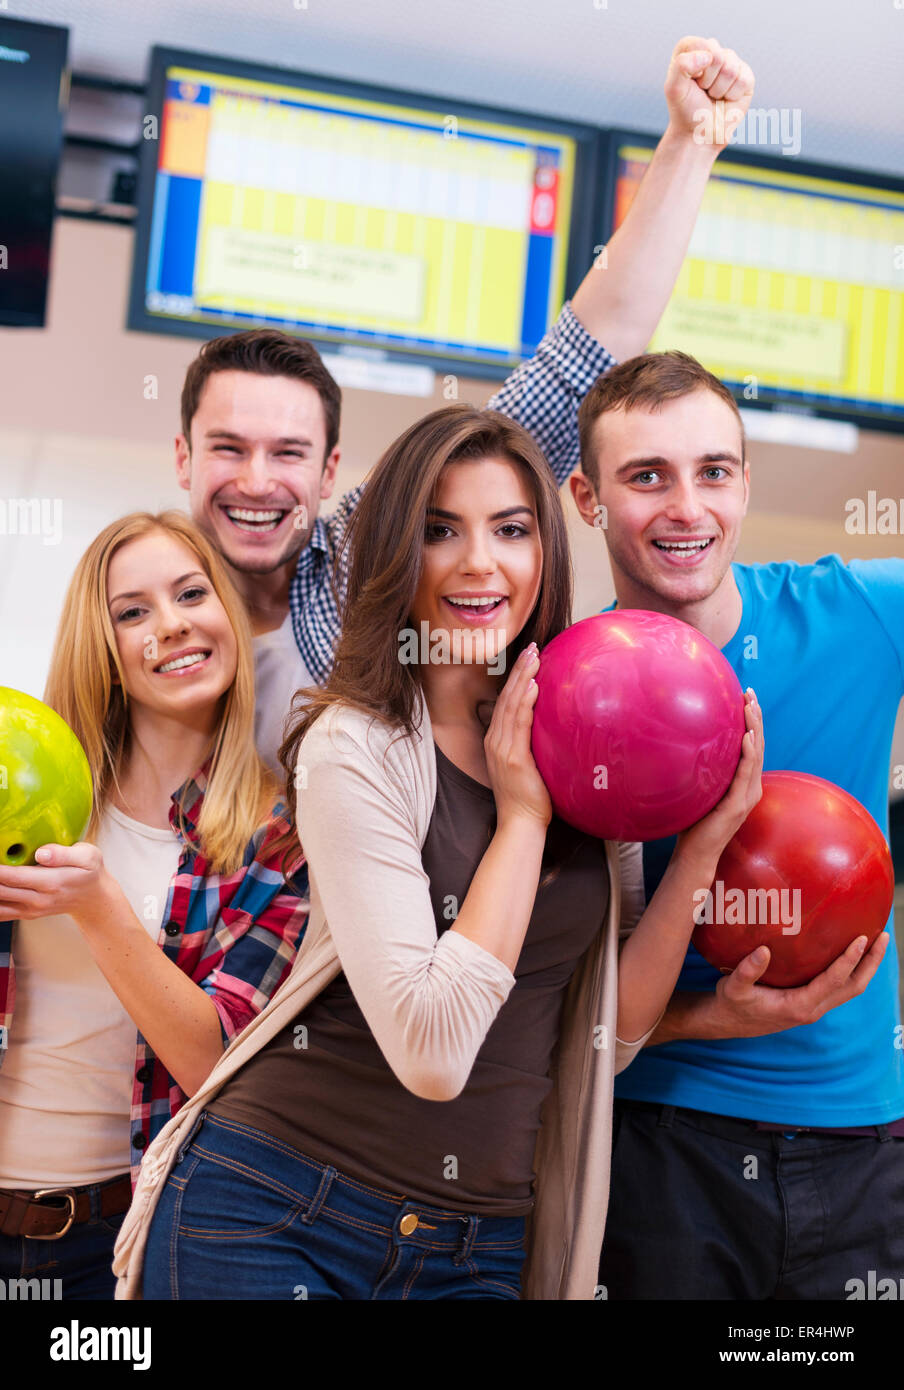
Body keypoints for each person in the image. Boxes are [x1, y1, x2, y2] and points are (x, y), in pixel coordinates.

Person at [113, 405, 763, 1301]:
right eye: (439, 531)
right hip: (276, 1209)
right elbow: (432, 1048)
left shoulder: (577, 733)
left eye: (511, 529)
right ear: (395, 555)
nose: (479, 562)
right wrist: (524, 821)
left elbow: (603, 1034)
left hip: (478, 1245)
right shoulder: (356, 746)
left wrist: (700, 852)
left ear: (546, 550)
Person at [170, 36, 756, 773]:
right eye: (229, 447)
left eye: (288, 452)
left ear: (329, 473)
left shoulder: (374, 547)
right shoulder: (137, 609)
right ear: (183, 456)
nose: (257, 480)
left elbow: (587, 354)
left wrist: (690, 141)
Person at [566, 351, 902, 1299]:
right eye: (646, 477)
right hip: (657, 1144)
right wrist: (705, 1019)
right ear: (588, 500)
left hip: (863, 1135)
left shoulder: (861, 613)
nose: (687, 507)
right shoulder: (559, 694)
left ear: (745, 483)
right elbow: (544, 1006)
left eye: (713, 471)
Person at [0, 512, 309, 1299]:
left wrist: (99, 906)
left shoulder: (280, 842)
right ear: (100, 650)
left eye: (190, 594)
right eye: (132, 611)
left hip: (118, 1241)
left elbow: (211, 1060)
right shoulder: (26, 792)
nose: (170, 626)